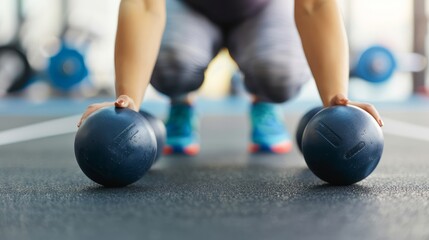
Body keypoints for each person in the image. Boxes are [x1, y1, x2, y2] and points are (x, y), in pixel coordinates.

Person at [78, 0, 384, 156]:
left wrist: (335, 100)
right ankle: (181, 100)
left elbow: (314, 4)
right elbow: (144, 4)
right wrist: (128, 101)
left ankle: (264, 100)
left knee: (280, 74)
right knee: (171, 66)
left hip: (262, 9)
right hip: (190, 7)